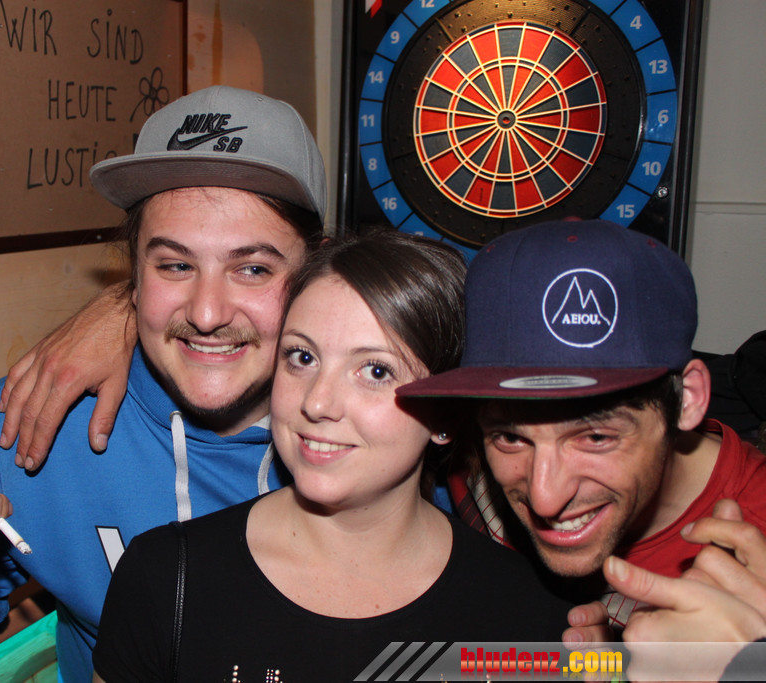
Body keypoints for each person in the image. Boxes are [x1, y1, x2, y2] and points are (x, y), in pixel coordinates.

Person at [0, 85, 328, 679]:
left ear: (317, 269)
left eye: (252, 268)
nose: (207, 312)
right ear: (133, 271)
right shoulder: (40, 416)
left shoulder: (377, 430)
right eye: (175, 265)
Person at [92, 229, 574, 682]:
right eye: (302, 357)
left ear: (444, 414)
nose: (317, 403)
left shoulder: (533, 615)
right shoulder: (166, 580)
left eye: (376, 371)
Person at [395, 218, 766, 629]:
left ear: (688, 399)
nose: (545, 500)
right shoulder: (464, 463)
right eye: (510, 438)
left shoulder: (755, 561)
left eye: (595, 437)